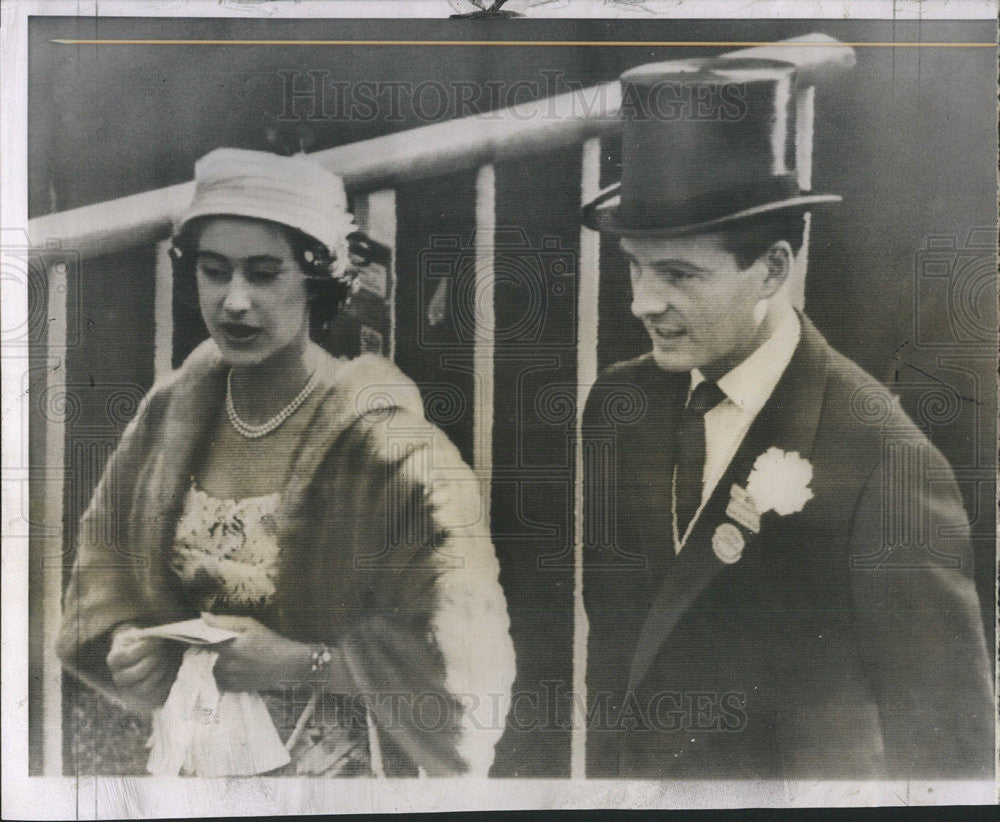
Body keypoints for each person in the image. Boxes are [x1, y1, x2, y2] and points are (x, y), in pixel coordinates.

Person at [580, 59, 993, 779]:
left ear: (772, 269)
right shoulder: (620, 406)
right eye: (634, 267)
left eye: (678, 274)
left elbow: (949, 750)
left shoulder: (886, 462)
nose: (643, 302)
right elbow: (620, 653)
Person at [57, 147, 516, 777]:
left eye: (264, 274)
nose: (234, 301)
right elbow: (105, 568)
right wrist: (129, 645)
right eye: (214, 272)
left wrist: (307, 663)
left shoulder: (389, 446)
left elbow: (466, 657)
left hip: (341, 779)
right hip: (189, 757)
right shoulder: (170, 415)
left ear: (318, 280)